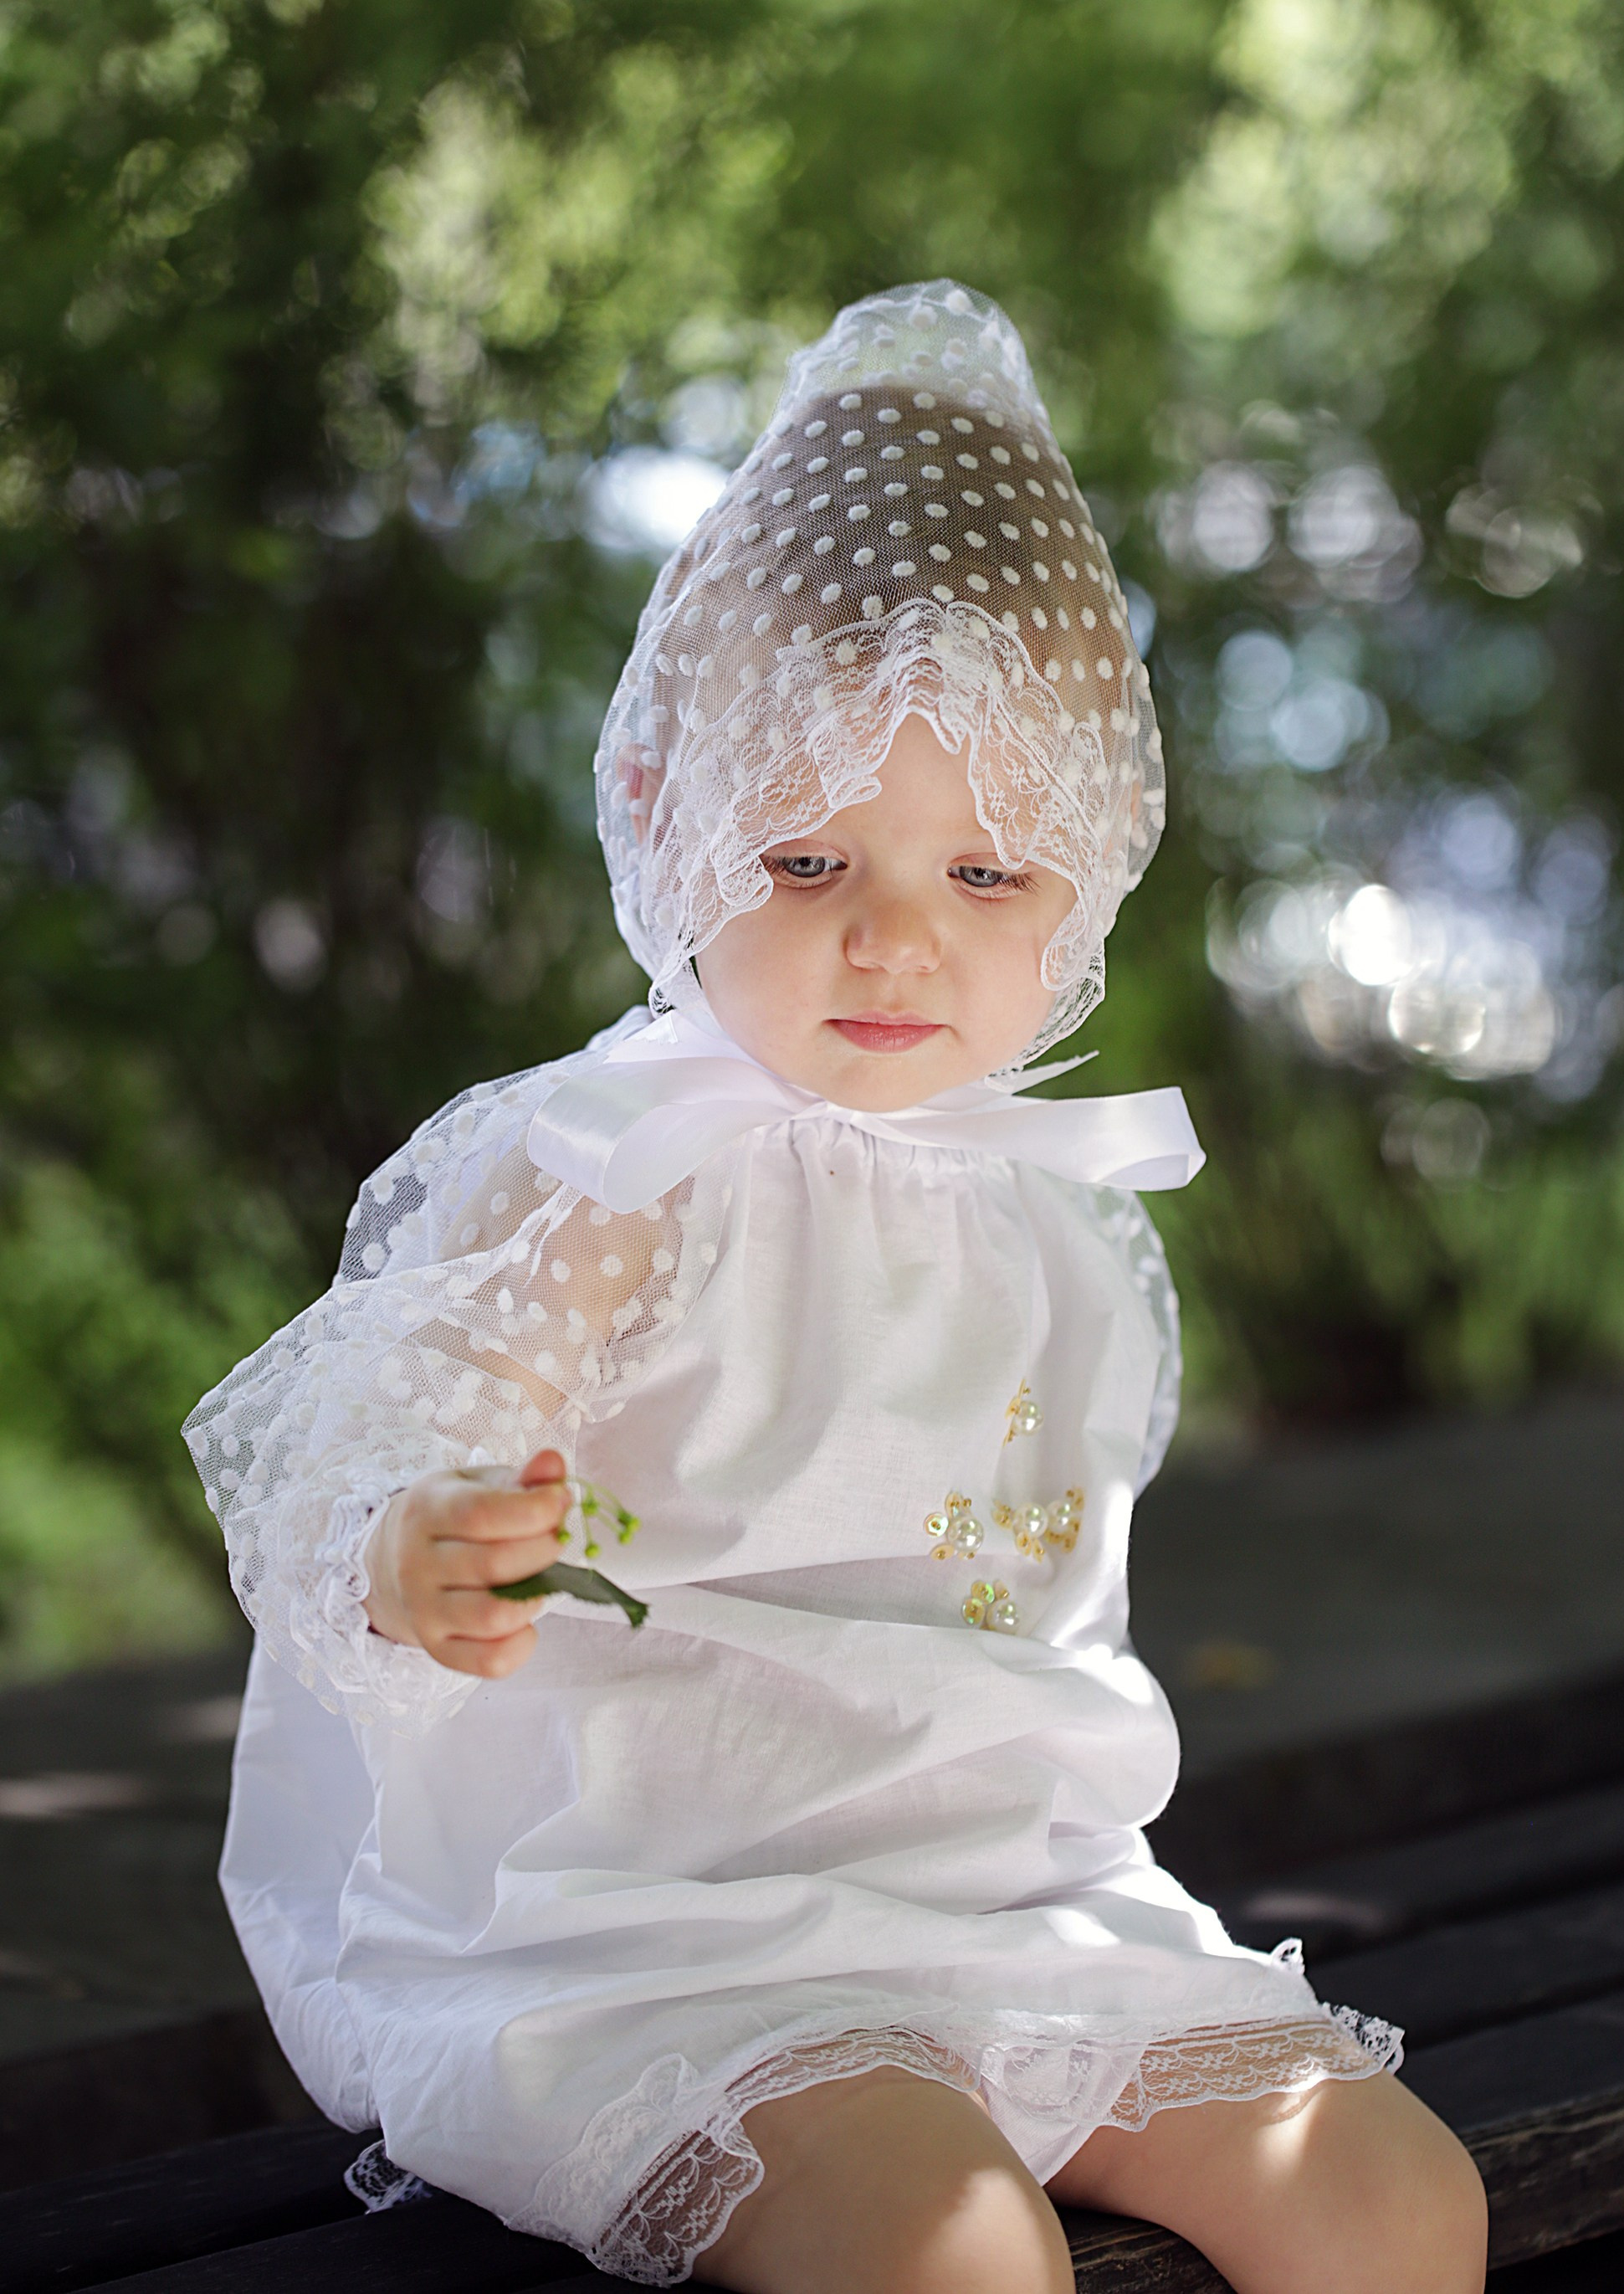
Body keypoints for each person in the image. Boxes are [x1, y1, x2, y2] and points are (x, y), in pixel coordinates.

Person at [187, 284, 1486, 2294]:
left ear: (1093, 860)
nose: (893, 945)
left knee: (1397, 2200)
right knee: (948, 2252)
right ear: (664, 810)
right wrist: (411, 1535)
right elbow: (399, 1401)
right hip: (655, 1915)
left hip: (1003, 1887)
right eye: (805, 861)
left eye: (983, 875)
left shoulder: (1048, 1198)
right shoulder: (625, 1158)